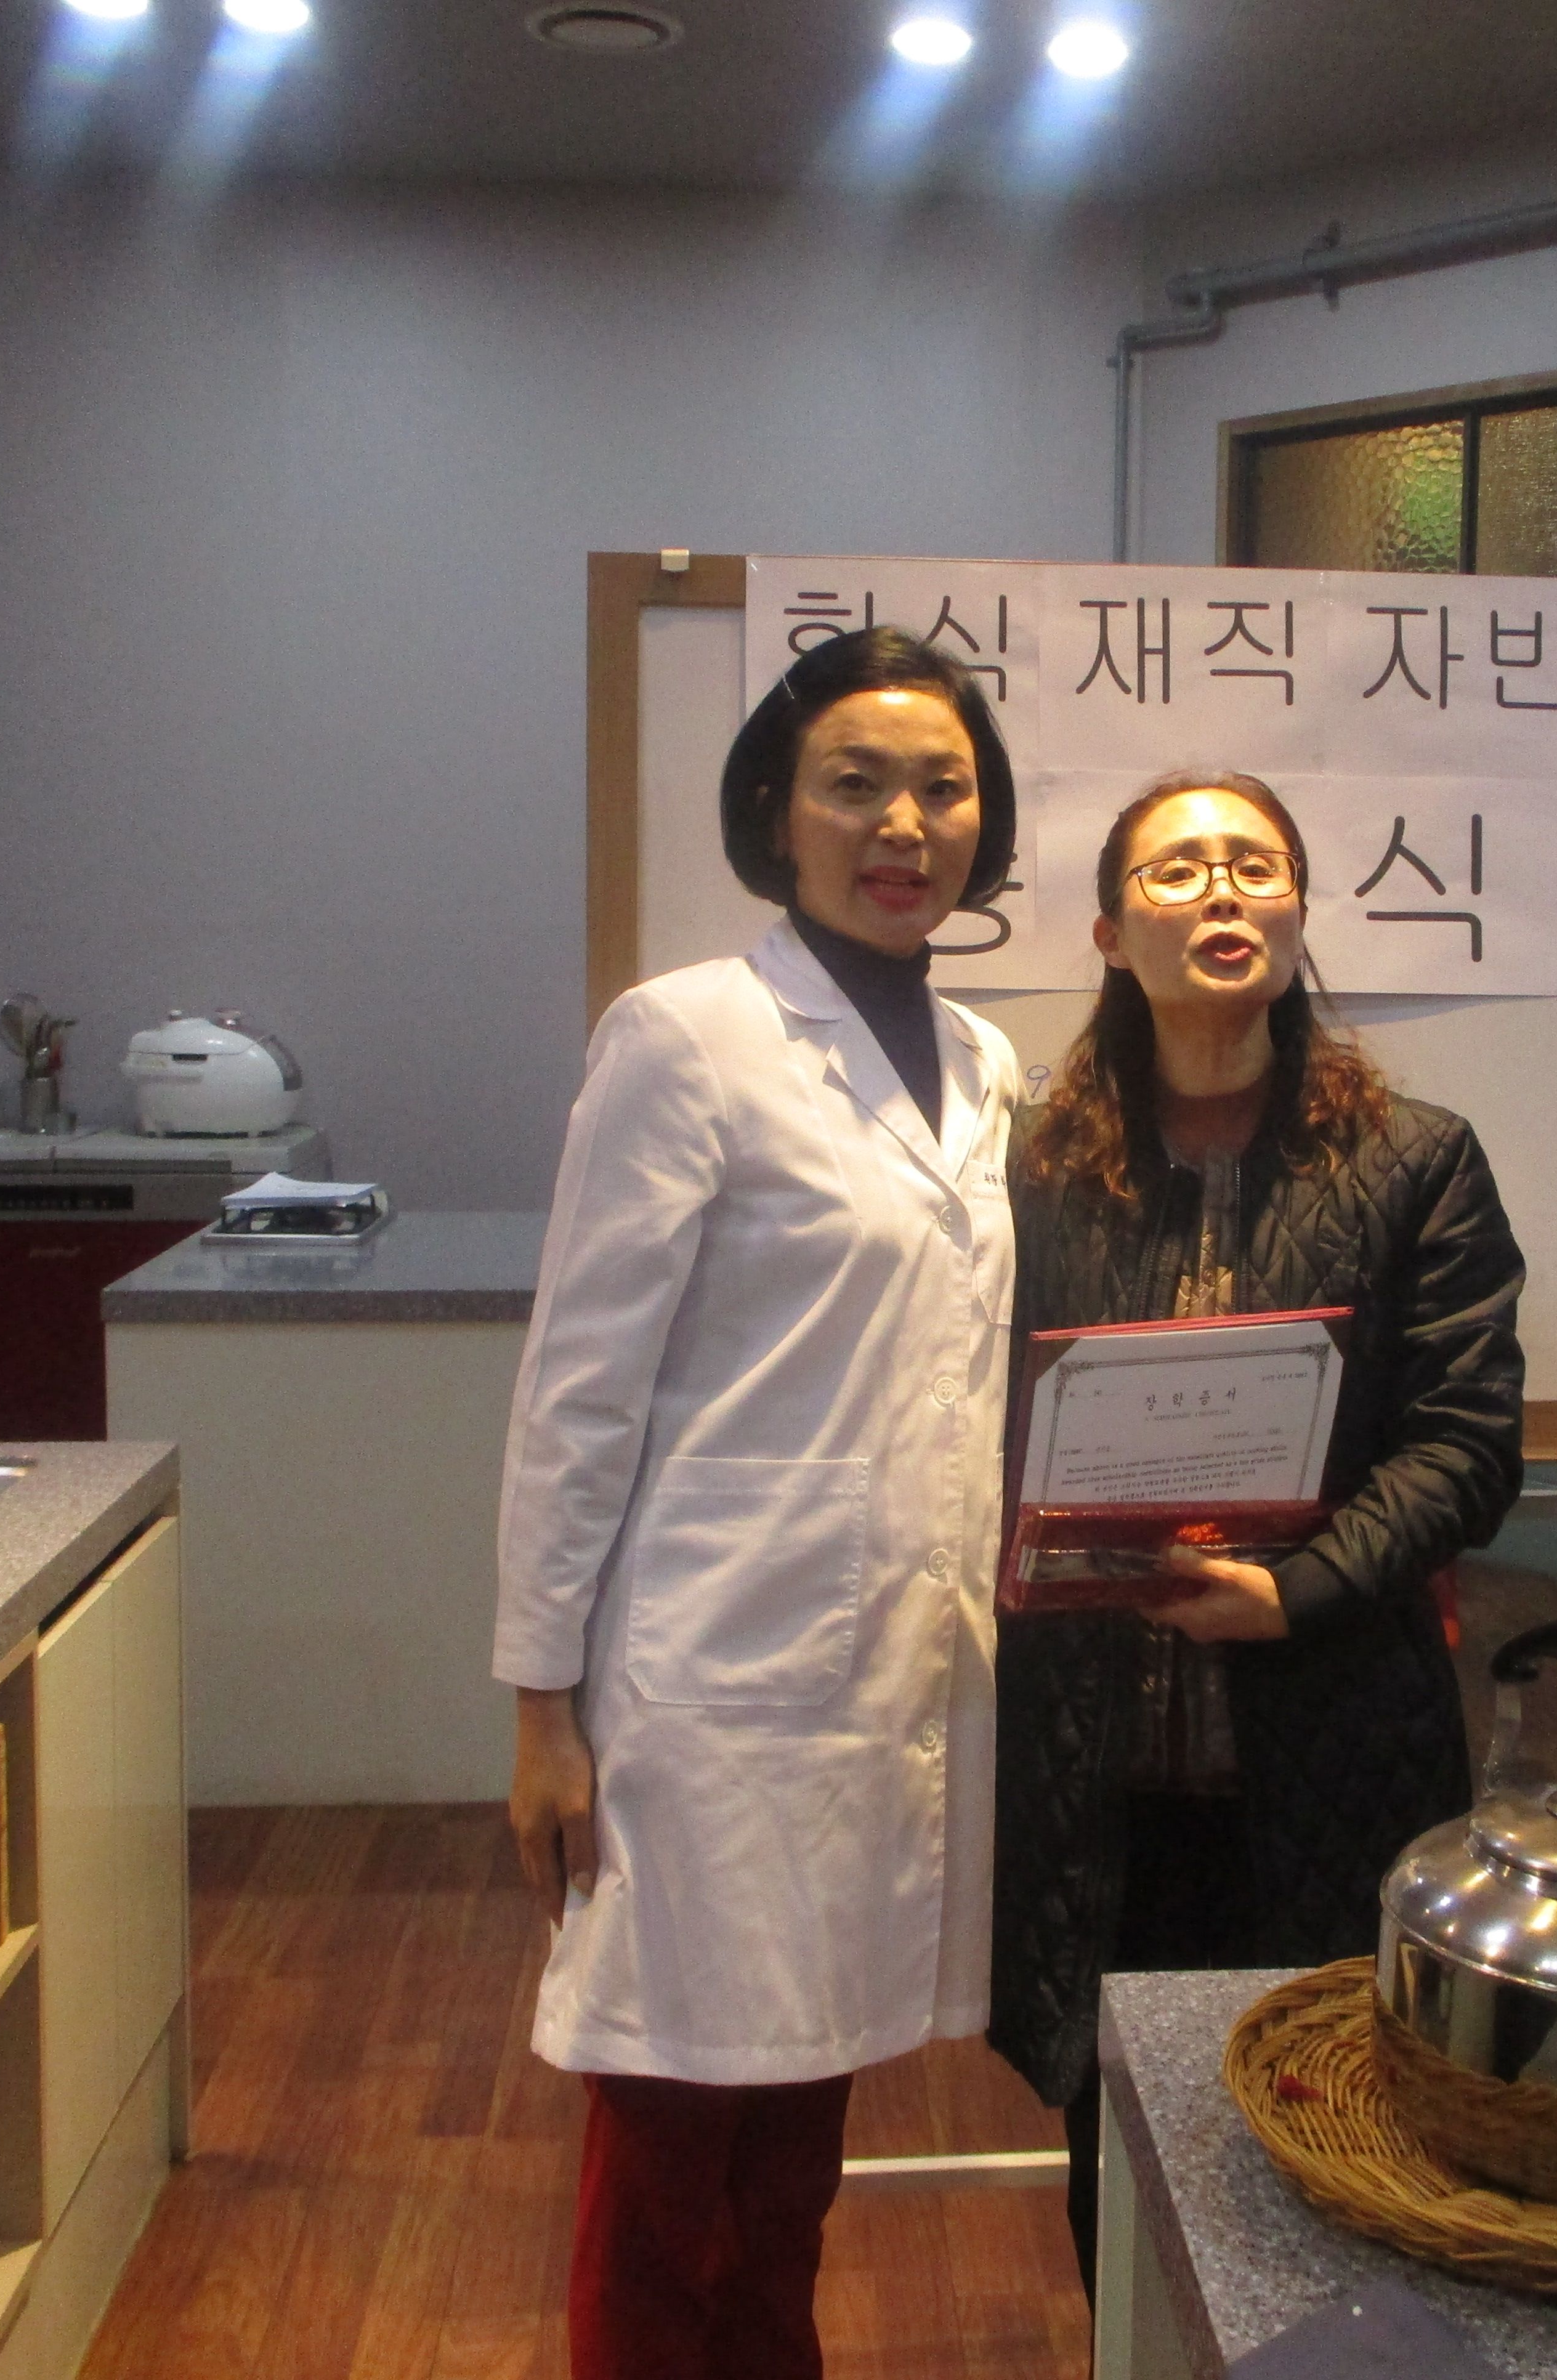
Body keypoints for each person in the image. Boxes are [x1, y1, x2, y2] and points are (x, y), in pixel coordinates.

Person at [493, 626, 1022, 2380]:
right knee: (665, 2157)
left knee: (797, 2143)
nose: (903, 825)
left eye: (942, 787)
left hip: (887, 1674)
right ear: (776, 816)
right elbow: (578, 1391)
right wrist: (542, 1706)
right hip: (705, 1680)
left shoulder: (985, 1063)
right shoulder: (688, 1037)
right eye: (855, 785)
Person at [985, 769, 1527, 2289]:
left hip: (1328, 1738)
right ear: (1110, 933)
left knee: (1334, 2155)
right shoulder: (1028, 1170)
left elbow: (1465, 1448)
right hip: (1093, 1759)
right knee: (1115, 2173)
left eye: (1254, 866)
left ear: (1294, 917)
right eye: (1175, 871)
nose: (1220, 891)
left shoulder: (1414, 1160)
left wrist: (1293, 1591)